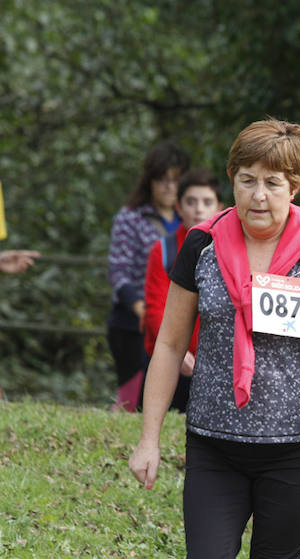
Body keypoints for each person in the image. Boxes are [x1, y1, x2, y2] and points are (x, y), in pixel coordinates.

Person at [128, 119, 300, 559]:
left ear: (295, 186)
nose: (259, 195)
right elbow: (171, 345)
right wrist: (148, 438)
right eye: (247, 180)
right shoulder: (202, 244)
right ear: (231, 179)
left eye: (273, 183)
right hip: (216, 444)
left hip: (299, 448)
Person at [107, 141, 190, 412]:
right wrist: (142, 310)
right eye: (162, 180)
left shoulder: (192, 221)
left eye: (175, 180)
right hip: (134, 320)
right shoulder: (131, 218)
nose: (168, 187)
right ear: (150, 181)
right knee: (133, 396)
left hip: (178, 319)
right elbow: (119, 272)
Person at [142, 168, 224, 413]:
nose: (199, 209)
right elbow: (156, 307)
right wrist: (179, 350)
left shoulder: (231, 251)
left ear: (220, 208)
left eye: (207, 202)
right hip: (170, 356)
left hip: (214, 362)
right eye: (191, 202)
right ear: (178, 208)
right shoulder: (164, 250)